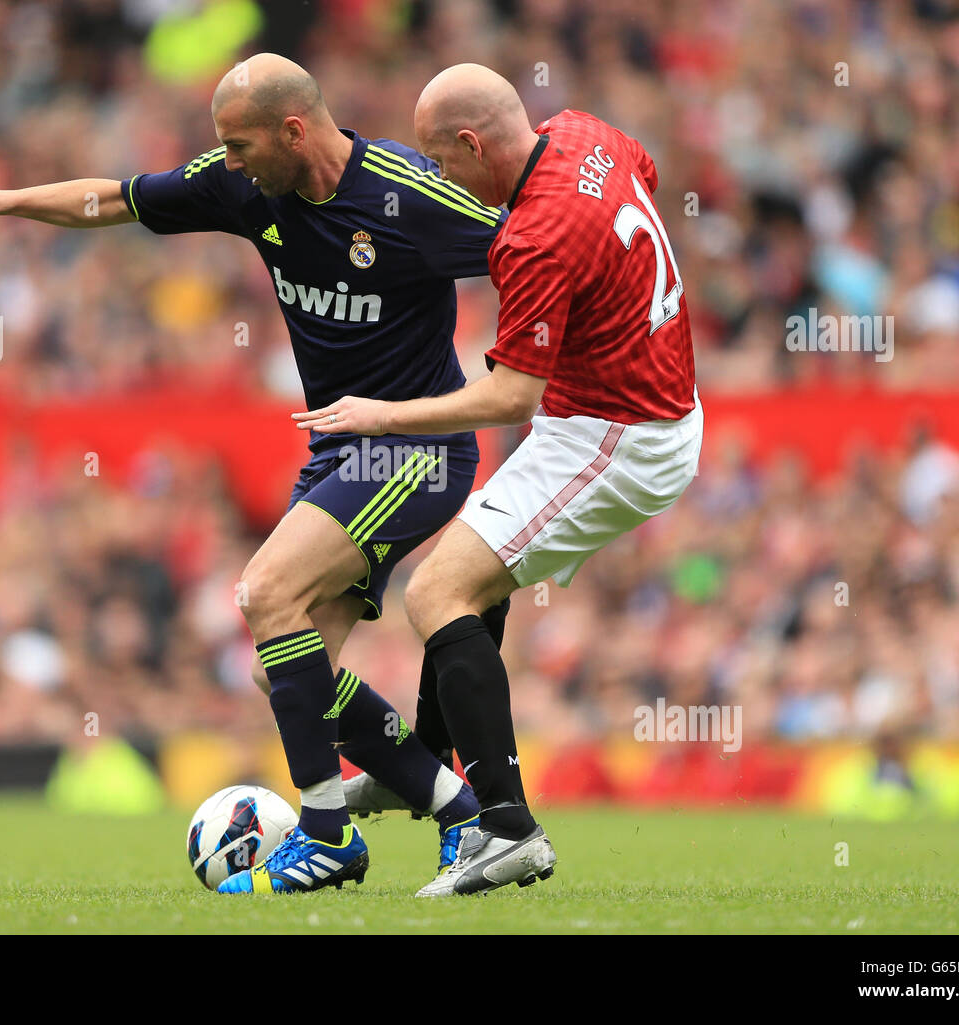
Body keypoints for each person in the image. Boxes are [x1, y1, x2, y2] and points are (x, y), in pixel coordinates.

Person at [0, 53, 507, 895]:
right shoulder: (243, 187)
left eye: (239, 145)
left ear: (293, 131)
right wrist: (1, 201)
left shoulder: (408, 193)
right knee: (288, 668)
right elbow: (115, 199)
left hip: (414, 447)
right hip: (337, 451)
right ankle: (461, 813)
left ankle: (327, 831)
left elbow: (532, 247)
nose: (227, 161)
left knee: (265, 591)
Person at [294, 63, 703, 896]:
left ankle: (509, 828)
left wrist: (381, 414)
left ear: (473, 144)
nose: (440, 178)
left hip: (619, 433)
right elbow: (645, 177)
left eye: (442, 161)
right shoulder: (587, 132)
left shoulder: (533, 235)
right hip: (631, 408)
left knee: (435, 592)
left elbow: (511, 396)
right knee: (469, 576)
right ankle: (431, 761)